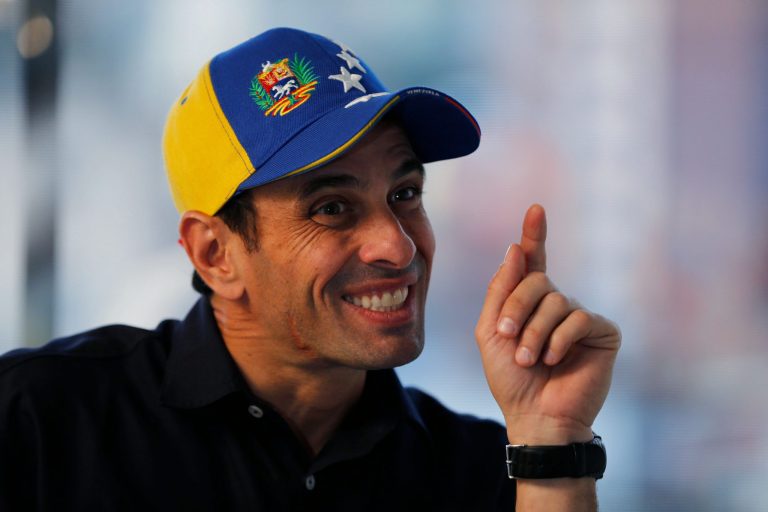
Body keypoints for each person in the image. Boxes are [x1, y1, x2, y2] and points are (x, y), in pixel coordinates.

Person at [0, 27, 620, 511]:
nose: (398, 248)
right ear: (215, 254)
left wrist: (551, 443)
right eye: (331, 208)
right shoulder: (38, 423)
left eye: (404, 194)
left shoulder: (484, 467)